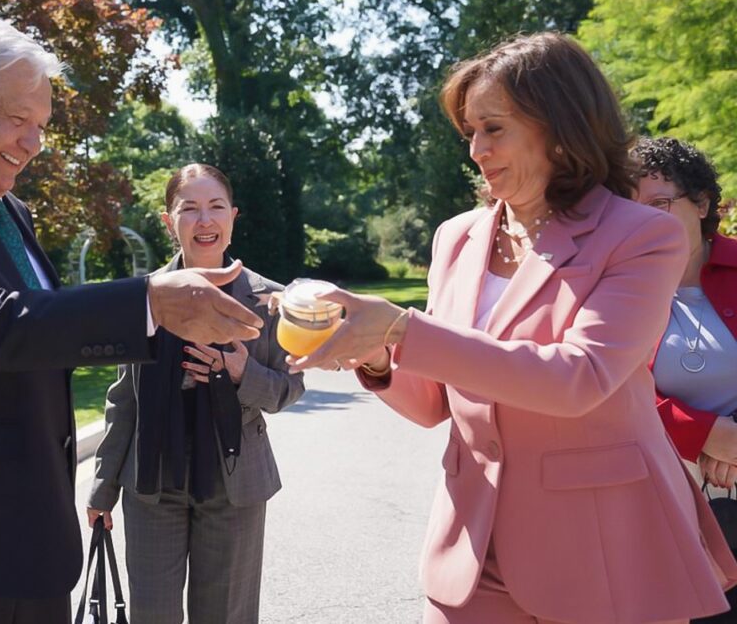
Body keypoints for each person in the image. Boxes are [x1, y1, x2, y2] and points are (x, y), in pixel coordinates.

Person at [290, 33, 737, 622]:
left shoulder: (640, 234)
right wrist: (374, 355)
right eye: (469, 132)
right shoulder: (457, 236)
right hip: (472, 549)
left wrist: (401, 329)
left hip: (602, 551)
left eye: (493, 129)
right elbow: (432, 402)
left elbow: (580, 377)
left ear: (559, 128)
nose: (476, 149)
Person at [0, 17, 263, 624]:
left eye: (42, 126)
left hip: (25, 552)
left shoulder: (9, 210)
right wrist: (149, 302)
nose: (35, 143)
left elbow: (39, 333)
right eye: (19, 120)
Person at [86, 163, 305, 624]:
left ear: (233, 217)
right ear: (170, 222)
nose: (204, 220)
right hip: (151, 487)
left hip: (235, 486)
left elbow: (289, 388)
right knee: (152, 616)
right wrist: (102, 489)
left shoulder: (270, 300)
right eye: (190, 209)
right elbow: (124, 398)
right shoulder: (141, 298)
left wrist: (244, 372)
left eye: (216, 207)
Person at [633, 137, 737, 491]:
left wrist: (732, 445)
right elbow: (612, 388)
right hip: (660, 490)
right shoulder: (617, 289)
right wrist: (703, 433)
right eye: (631, 208)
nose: (644, 219)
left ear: (702, 204)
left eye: (660, 202)